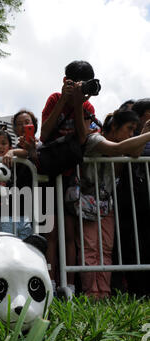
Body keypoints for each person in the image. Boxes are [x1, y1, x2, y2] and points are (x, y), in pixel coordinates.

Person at [76, 109, 150, 299]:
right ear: (115, 127)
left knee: (106, 249)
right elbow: (117, 150)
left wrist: (143, 134)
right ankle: (91, 292)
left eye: (134, 130)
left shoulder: (124, 144)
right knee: (91, 248)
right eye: (129, 129)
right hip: (87, 204)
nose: (131, 134)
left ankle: (104, 292)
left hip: (105, 204)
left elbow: (133, 153)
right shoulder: (94, 140)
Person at [40, 60, 96, 296]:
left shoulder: (87, 107)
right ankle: (50, 282)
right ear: (66, 81)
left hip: (73, 175)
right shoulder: (54, 98)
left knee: (70, 233)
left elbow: (83, 139)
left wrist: (78, 103)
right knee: (50, 231)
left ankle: (70, 285)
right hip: (51, 172)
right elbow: (43, 133)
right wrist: (64, 100)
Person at [116, 99, 150, 296]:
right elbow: (134, 153)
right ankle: (137, 290)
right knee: (134, 246)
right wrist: (144, 133)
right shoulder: (131, 135)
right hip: (132, 201)